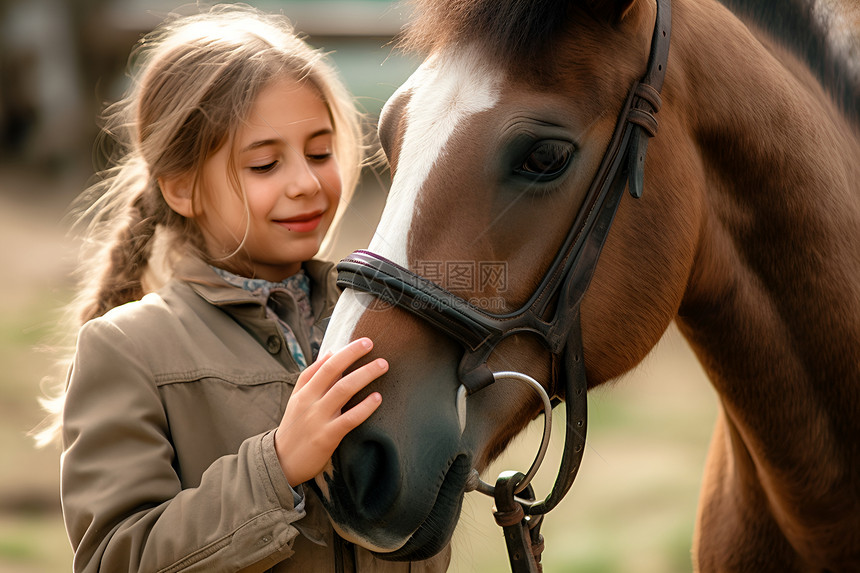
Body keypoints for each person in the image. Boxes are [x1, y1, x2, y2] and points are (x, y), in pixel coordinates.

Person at [47, 5, 451, 571]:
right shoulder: (128, 349)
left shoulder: (375, 319)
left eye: (319, 152)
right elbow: (117, 558)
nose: (306, 184)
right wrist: (277, 466)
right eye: (265, 164)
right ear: (183, 189)